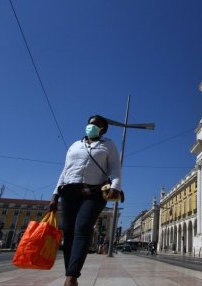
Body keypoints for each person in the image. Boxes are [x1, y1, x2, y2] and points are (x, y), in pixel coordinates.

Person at [49, 115, 122, 286]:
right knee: (68, 231)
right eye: (90, 123)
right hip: (68, 191)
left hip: (94, 192)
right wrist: (54, 195)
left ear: (103, 129)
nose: (91, 126)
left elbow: (116, 169)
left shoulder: (108, 144)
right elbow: (65, 170)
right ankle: (70, 272)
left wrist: (115, 187)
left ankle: (71, 276)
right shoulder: (75, 145)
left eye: (95, 124)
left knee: (82, 227)